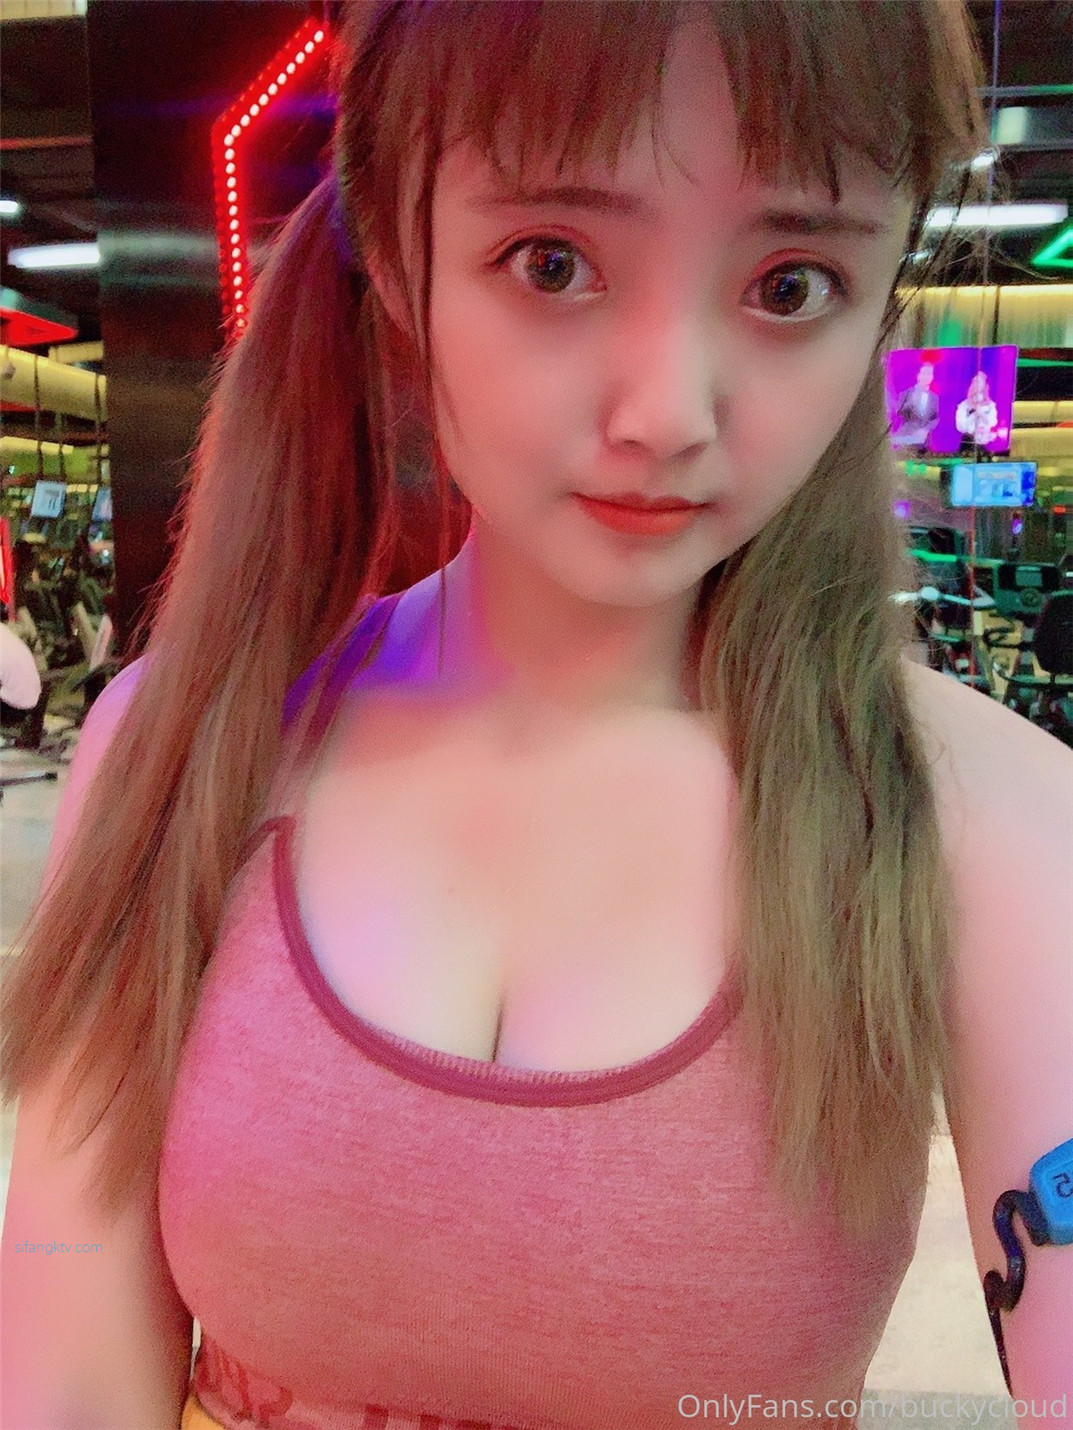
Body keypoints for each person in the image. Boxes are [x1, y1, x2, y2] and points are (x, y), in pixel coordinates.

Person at [2, 4, 1069, 1428]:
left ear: (878, 302)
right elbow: (67, 1365)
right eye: (552, 262)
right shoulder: (184, 747)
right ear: (399, 257)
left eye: (792, 283)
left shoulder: (987, 823)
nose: (667, 411)